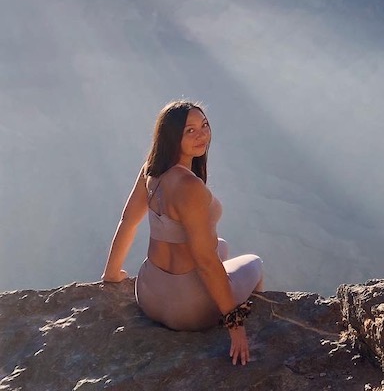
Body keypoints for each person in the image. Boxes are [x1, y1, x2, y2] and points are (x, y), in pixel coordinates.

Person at [102, 100, 264, 365]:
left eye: (204, 125)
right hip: (189, 311)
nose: (201, 134)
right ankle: (243, 311)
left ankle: (214, 291)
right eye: (190, 130)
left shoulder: (151, 171)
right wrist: (235, 326)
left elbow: (128, 221)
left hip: (148, 294)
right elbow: (205, 261)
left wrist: (111, 275)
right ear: (172, 136)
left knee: (221, 245)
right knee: (254, 263)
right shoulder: (189, 186)